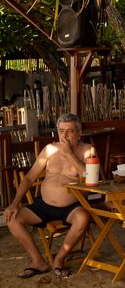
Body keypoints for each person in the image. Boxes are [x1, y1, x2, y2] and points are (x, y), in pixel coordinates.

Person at [3, 113, 93, 278]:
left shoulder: (88, 150)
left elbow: (92, 179)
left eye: (70, 131)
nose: (64, 136)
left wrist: (69, 154)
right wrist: (15, 202)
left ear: (79, 133)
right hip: (43, 206)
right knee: (12, 218)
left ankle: (59, 260)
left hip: (71, 207)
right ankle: (38, 261)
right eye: (61, 131)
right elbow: (30, 177)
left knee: (83, 218)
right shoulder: (50, 149)